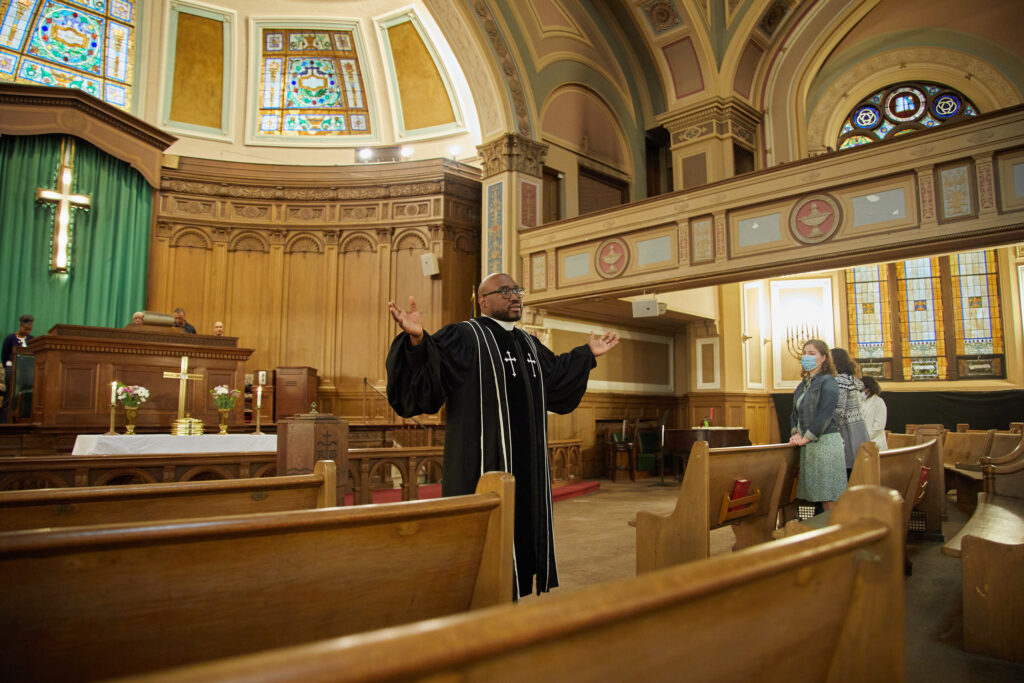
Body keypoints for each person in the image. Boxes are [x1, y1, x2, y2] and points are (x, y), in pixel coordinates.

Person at [386, 272, 619, 599]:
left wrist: (586, 354)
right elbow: (428, 376)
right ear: (483, 300)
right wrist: (418, 341)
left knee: (520, 532)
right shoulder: (465, 336)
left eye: (517, 291)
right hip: (481, 461)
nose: (515, 297)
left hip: (526, 467)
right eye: (505, 291)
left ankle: (516, 583)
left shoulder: (528, 344)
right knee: (479, 544)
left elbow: (555, 378)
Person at [789, 338, 847, 511]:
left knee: (829, 496)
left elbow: (825, 413)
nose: (806, 357)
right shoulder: (804, 384)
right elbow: (794, 414)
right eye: (804, 353)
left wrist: (806, 437)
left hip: (825, 444)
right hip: (809, 445)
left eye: (811, 353)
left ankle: (835, 535)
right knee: (820, 496)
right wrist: (796, 433)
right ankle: (826, 534)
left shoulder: (828, 381)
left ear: (823, 358)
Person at [831, 347, 871, 476]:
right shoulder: (851, 379)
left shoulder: (840, 382)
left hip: (846, 436)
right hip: (858, 433)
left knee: (847, 479)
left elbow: (838, 413)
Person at [2, 314, 34, 421]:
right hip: (12, 370)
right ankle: (5, 422)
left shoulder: (32, 340)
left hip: (26, 372)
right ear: (20, 326)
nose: (27, 331)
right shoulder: (10, 338)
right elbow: (4, 355)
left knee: (26, 396)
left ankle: (21, 421)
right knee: (9, 396)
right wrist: (9, 367)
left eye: (29, 329)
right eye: (25, 329)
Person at [860, 375, 888, 451]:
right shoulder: (861, 401)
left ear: (869, 389)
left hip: (876, 443)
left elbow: (878, 427)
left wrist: (864, 437)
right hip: (863, 444)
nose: (861, 392)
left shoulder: (879, 402)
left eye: (862, 390)